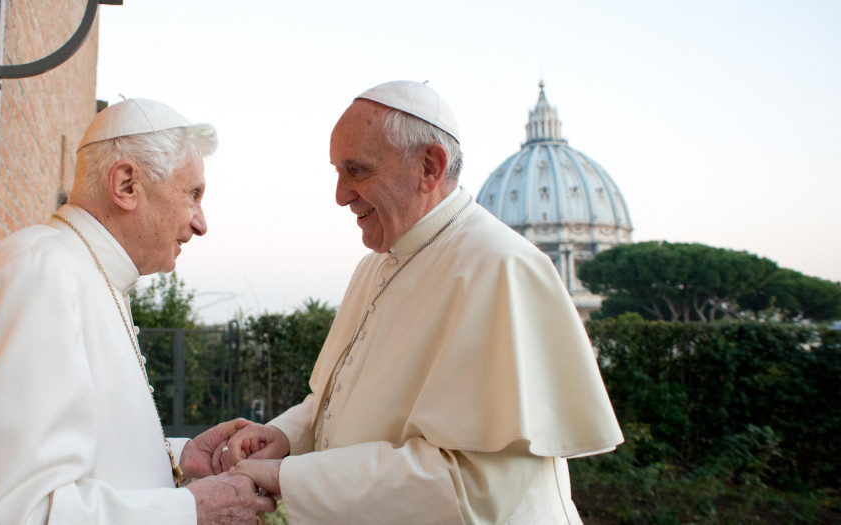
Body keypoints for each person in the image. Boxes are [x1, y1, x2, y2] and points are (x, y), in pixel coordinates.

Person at [212, 81, 624, 523]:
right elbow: (337, 404)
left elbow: (472, 486)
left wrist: (288, 476)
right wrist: (284, 435)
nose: (340, 194)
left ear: (429, 165)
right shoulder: (376, 265)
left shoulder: (501, 268)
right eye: (337, 172)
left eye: (357, 170)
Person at [0, 98, 276, 524]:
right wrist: (192, 511)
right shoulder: (46, 274)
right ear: (126, 184)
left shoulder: (80, 271)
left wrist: (183, 456)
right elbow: (14, 512)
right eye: (193, 195)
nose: (201, 223)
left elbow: (84, 457)